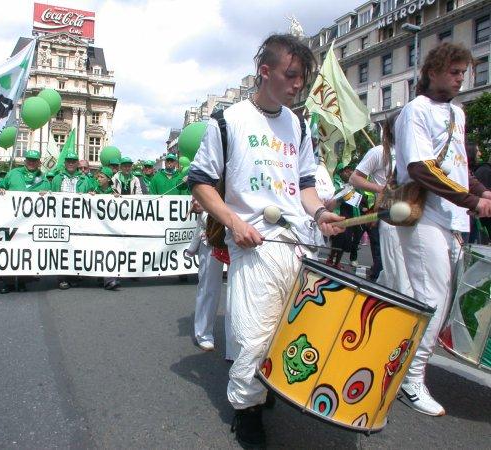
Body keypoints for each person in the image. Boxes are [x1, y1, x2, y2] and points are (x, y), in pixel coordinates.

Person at [189, 34, 342, 447]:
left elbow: (305, 185)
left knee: (288, 330)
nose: (298, 85)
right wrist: (233, 222)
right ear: (265, 72)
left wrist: (321, 214)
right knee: (253, 334)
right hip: (255, 244)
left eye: (303, 78)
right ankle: (246, 409)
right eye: (291, 76)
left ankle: (263, 386)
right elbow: (201, 185)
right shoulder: (227, 120)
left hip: (300, 244)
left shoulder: (299, 124)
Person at [394, 42, 491, 416]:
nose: (460, 78)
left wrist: (481, 191)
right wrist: (472, 199)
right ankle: (411, 380)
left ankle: (404, 364)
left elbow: (459, 165)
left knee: (435, 299)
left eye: (463, 73)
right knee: (431, 299)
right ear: (431, 71)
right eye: (454, 71)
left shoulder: (458, 112)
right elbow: (419, 167)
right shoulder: (415, 110)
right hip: (422, 217)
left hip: (451, 220)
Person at [350, 113, 413, 294]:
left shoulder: (415, 150)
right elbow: (355, 178)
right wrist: (381, 189)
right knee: (396, 271)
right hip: (390, 216)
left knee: (409, 270)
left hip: (414, 215)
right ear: (393, 129)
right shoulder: (379, 152)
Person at [186, 198, 235, 358]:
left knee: (238, 291)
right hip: (212, 234)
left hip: (239, 233)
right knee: (209, 286)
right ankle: (204, 333)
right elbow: (199, 194)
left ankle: (234, 343)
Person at [0, 150, 50, 294]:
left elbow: (50, 202)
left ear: (39, 162)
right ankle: (8, 283)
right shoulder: (13, 173)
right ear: (25, 161)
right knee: (9, 250)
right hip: (11, 221)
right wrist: (0, 189)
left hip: (30, 224)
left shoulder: (44, 179)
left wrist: (47, 195)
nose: (32, 162)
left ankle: (22, 282)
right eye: (29, 160)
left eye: (35, 160)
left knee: (26, 252)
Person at [51, 152, 88, 290]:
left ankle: (74, 275)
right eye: (69, 161)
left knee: (76, 247)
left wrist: (92, 194)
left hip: (79, 220)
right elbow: (52, 197)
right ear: (65, 163)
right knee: (62, 248)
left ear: (77, 163)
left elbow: (92, 193)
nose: (71, 163)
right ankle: (62, 277)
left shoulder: (85, 179)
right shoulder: (56, 179)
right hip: (61, 219)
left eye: (73, 161)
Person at [88, 166, 121, 290]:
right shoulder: (93, 191)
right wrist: (90, 196)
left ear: (108, 179)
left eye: (102, 177)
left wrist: (118, 199)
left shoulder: (114, 193)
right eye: (98, 177)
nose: (99, 179)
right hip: (95, 229)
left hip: (109, 230)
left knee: (109, 252)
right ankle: (99, 276)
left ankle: (110, 280)